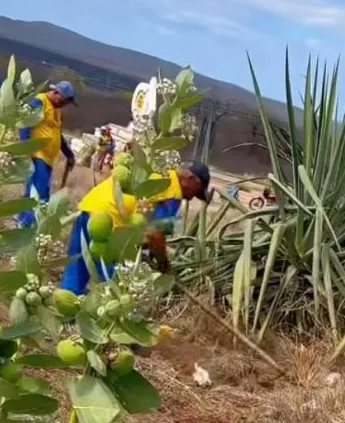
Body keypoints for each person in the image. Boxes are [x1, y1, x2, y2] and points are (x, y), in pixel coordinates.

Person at [61, 161, 212, 294]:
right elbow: (155, 234)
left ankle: (70, 302)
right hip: (108, 222)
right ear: (190, 180)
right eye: (197, 191)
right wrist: (163, 264)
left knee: (78, 261)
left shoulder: (159, 171)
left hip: (90, 206)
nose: (192, 198)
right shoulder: (172, 192)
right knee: (114, 281)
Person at [18, 81, 76, 227]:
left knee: (33, 192)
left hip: (48, 159)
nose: (63, 105)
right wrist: (26, 148)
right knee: (39, 194)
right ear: (56, 93)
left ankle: (22, 222)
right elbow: (25, 123)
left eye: (66, 103)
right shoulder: (39, 102)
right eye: (62, 101)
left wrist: (69, 154)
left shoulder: (57, 109)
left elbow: (57, 134)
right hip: (37, 155)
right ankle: (28, 226)